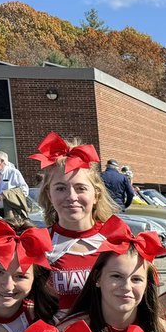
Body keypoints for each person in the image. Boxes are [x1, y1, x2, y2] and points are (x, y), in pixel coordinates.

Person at [33, 132, 114, 311]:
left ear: (96, 195)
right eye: (61, 188)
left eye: (81, 188)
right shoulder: (37, 243)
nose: (71, 197)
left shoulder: (117, 239)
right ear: (49, 194)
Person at [0, 150, 29, 216]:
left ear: (2, 161)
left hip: (11, 210)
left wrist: (4, 196)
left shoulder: (13, 172)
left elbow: (24, 191)